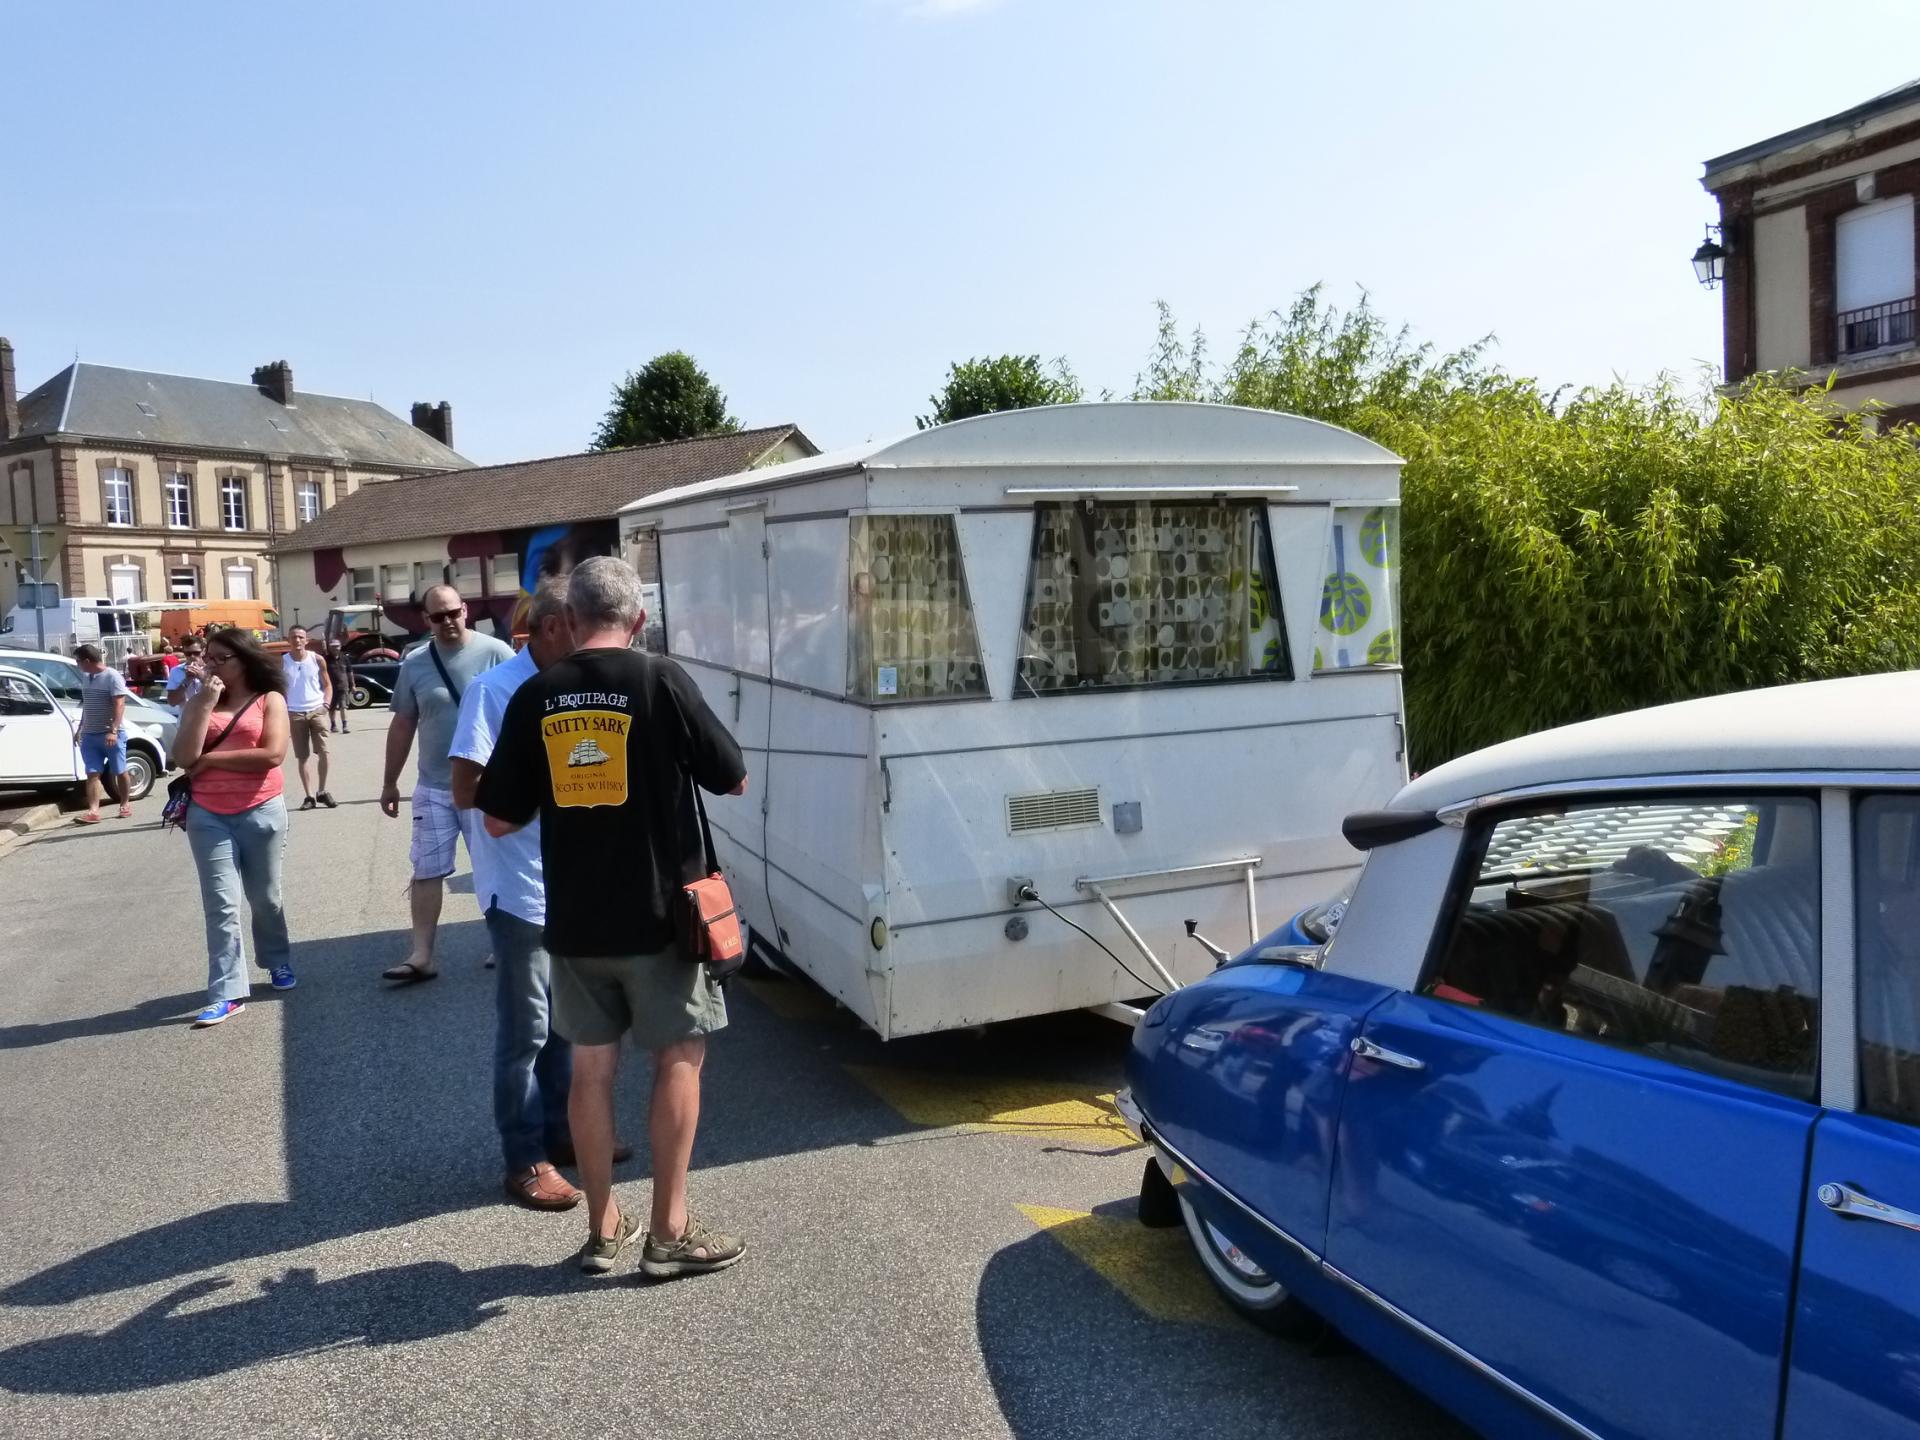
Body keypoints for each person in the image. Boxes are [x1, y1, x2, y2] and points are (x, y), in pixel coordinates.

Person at [478, 557, 749, 1279]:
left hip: (572, 920)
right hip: (662, 918)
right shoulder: (661, 679)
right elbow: (734, 776)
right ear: (639, 618)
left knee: (591, 1072)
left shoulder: (537, 693)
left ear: (568, 619)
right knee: (679, 1059)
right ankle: (668, 1232)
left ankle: (603, 1233)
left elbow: (499, 818)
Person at [450, 579, 585, 1209]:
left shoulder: (581, 683)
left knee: (567, 1023)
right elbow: (465, 786)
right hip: (520, 885)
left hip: (571, 880)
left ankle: (560, 1134)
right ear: (554, 626)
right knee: (527, 1029)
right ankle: (524, 1157)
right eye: (586, 625)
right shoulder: (495, 689)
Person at [381, 583, 513, 985]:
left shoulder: (496, 653)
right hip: (434, 785)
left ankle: (506, 944)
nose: (448, 621)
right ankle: (422, 955)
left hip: (484, 786)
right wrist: (389, 782)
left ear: (465, 610)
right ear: (426, 621)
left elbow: (522, 714)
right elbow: (403, 722)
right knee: (425, 869)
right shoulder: (416, 663)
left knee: (495, 867)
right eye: (438, 617)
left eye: (453, 612)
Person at [172, 629, 295, 1027]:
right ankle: (226, 992)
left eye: (221, 658)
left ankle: (276, 960)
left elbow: (272, 754)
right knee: (221, 905)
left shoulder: (269, 699)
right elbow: (184, 757)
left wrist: (211, 762)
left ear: (243, 659)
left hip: (261, 810)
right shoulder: (199, 701)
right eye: (208, 658)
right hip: (208, 815)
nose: (211, 665)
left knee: (266, 899)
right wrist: (204, 702)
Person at [72, 644, 133, 824]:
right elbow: (88, 705)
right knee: (92, 772)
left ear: (87, 661)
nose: (77, 665)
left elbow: (119, 704)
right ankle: (93, 811)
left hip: (111, 733)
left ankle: (125, 803)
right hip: (90, 734)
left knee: (119, 771)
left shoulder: (112, 676)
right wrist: (80, 729)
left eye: (78, 661)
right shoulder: (86, 677)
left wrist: (113, 730)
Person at [280, 625, 335, 810]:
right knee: (302, 756)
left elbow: (327, 684)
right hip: (295, 713)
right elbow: (278, 688)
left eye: (300, 637)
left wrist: (326, 705)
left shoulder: (317, 659)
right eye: (293, 637)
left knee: (324, 752)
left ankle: (322, 791)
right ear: (288, 640)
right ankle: (309, 796)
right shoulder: (283, 662)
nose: (297, 640)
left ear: (306, 640)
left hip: (316, 709)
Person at [166, 636, 207, 708]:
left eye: (196, 653)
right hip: (185, 718)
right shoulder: (176, 671)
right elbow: (172, 702)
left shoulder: (211, 669)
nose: (192, 656)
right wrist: (186, 681)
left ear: (203, 651)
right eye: (188, 653)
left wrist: (202, 677)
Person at [325, 640, 353, 734]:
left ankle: (345, 726)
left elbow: (350, 672)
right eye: (333, 646)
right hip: (331, 688)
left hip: (343, 686)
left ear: (340, 646)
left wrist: (353, 684)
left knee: (343, 706)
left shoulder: (345, 658)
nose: (335, 648)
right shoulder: (326, 659)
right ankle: (333, 725)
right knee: (332, 708)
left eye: (337, 646)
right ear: (330, 647)